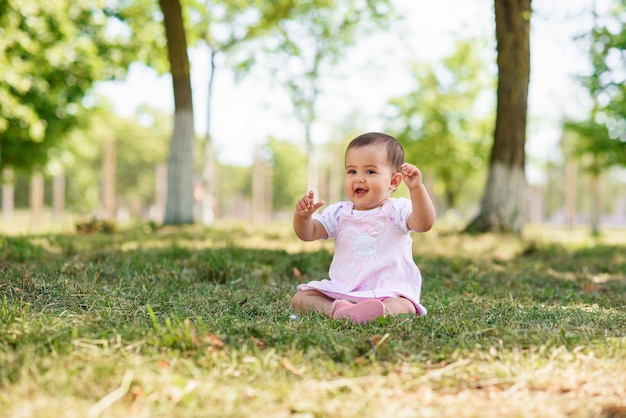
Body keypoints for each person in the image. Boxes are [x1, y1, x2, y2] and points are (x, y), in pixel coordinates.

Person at [291, 132, 437, 324]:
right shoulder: (339, 212)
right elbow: (308, 233)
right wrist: (303, 217)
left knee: (405, 305)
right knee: (300, 298)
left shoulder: (396, 210)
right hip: (345, 290)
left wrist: (417, 189)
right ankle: (340, 311)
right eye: (352, 171)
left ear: (393, 181)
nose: (359, 179)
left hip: (388, 290)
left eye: (370, 172)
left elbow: (424, 223)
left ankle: (379, 311)